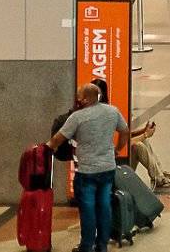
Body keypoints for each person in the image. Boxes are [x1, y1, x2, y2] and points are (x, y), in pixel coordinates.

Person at [48, 82, 130, 252]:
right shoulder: (112, 111)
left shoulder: (77, 117)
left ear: (85, 99)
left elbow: (57, 139)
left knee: (88, 210)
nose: (77, 99)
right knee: (104, 207)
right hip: (107, 168)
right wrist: (117, 149)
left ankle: (86, 246)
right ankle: (102, 246)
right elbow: (125, 131)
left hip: (86, 172)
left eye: (79, 96)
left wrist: (46, 147)